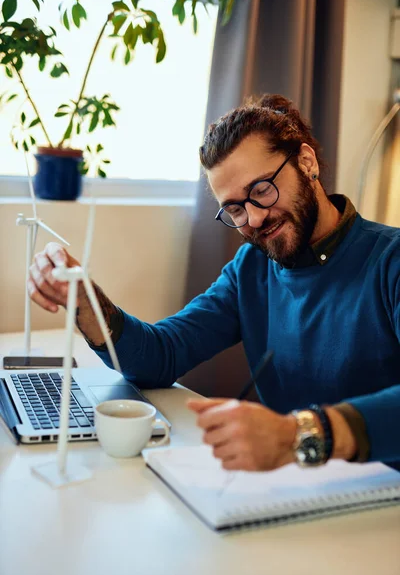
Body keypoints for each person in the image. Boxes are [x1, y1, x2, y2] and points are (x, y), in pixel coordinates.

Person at [28, 94, 400, 472]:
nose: (254, 219)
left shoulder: (391, 261)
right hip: (297, 494)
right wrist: (87, 303)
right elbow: (163, 355)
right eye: (236, 208)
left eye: (261, 190)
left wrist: (298, 434)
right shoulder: (252, 268)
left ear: (306, 163)